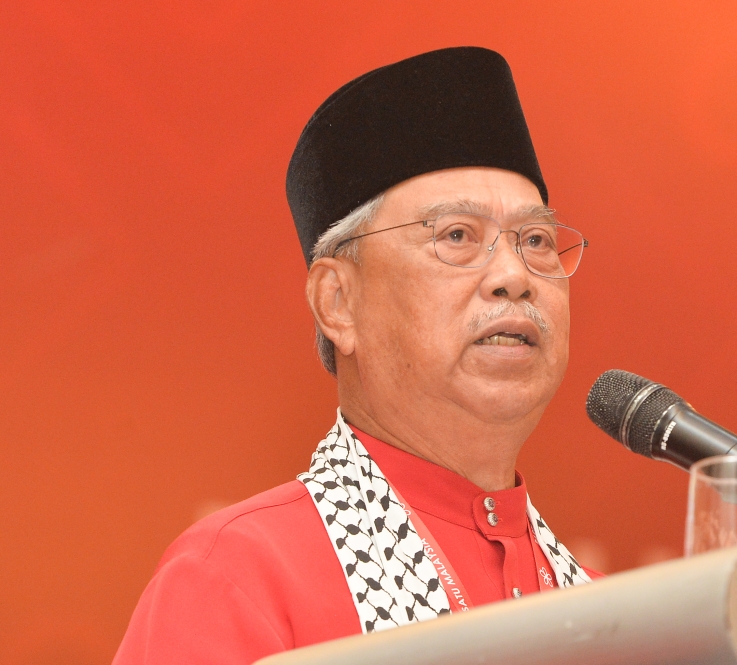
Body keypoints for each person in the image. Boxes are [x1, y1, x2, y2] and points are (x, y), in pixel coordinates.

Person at [113, 46, 597, 665]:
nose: (514, 275)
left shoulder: (618, 614)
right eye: (456, 235)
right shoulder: (234, 578)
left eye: (536, 240)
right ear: (338, 302)